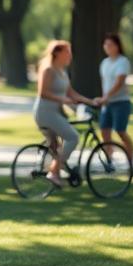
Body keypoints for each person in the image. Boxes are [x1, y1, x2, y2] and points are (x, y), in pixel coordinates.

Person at [33, 41, 94, 187]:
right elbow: (43, 92)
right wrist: (62, 99)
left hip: (55, 113)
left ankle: (55, 172)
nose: (70, 55)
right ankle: (54, 171)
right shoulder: (48, 69)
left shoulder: (62, 72)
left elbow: (70, 93)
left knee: (57, 148)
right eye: (67, 52)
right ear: (58, 53)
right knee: (73, 137)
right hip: (45, 113)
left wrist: (90, 102)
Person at [94, 33, 133, 167]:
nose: (107, 47)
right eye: (105, 44)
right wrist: (104, 98)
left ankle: (131, 161)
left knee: (120, 131)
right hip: (108, 104)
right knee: (104, 131)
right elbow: (104, 83)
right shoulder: (104, 63)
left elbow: (119, 83)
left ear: (117, 46)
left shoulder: (122, 62)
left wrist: (106, 96)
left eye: (110, 44)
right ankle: (109, 160)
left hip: (121, 102)